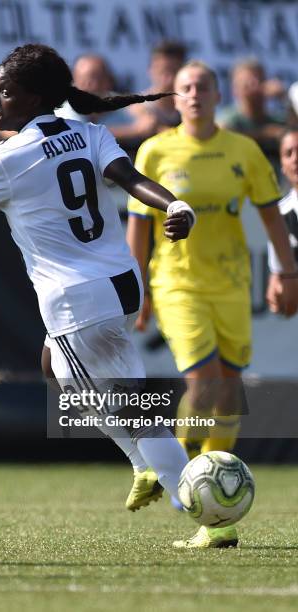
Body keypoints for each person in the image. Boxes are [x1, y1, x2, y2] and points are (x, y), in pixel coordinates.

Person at [0, 44, 202, 548]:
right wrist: (177, 204)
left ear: (37, 98)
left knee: (131, 407)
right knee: (53, 365)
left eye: (6, 91)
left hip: (78, 299)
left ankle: (201, 508)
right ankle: (146, 467)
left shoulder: (7, 158)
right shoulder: (88, 133)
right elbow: (131, 180)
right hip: (119, 284)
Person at [127, 60, 298, 548]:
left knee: (229, 391)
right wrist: (136, 289)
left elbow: (270, 218)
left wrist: (288, 273)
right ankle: (174, 471)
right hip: (178, 284)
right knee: (203, 383)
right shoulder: (156, 150)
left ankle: (212, 521)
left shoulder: (242, 151)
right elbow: (137, 228)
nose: (195, 93)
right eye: (185, 87)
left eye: (203, 86)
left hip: (231, 285)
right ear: (174, 98)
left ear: (217, 94)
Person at [219, 59, 286, 178]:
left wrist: (285, 99)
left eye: (259, 80)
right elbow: (222, 135)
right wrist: (265, 134)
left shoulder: (278, 119)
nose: (254, 86)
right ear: (235, 89)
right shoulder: (229, 118)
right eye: (247, 83)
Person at [267, 129, 298, 312]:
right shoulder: (279, 215)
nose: (295, 159)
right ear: (282, 166)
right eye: (288, 153)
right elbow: (278, 279)